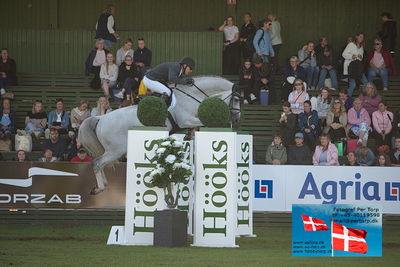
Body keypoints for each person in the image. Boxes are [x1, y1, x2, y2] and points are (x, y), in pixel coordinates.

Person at [342, 32, 368, 97]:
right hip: (351, 68)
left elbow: (361, 58)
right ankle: (347, 100)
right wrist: (351, 56)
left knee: (366, 83)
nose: (361, 38)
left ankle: (365, 98)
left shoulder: (361, 46)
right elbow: (344, 54)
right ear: (356, 37)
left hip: (358, 68)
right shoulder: (351, 44)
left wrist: (360, 57)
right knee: (353, 85)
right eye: (360, 37)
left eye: (362, 37)